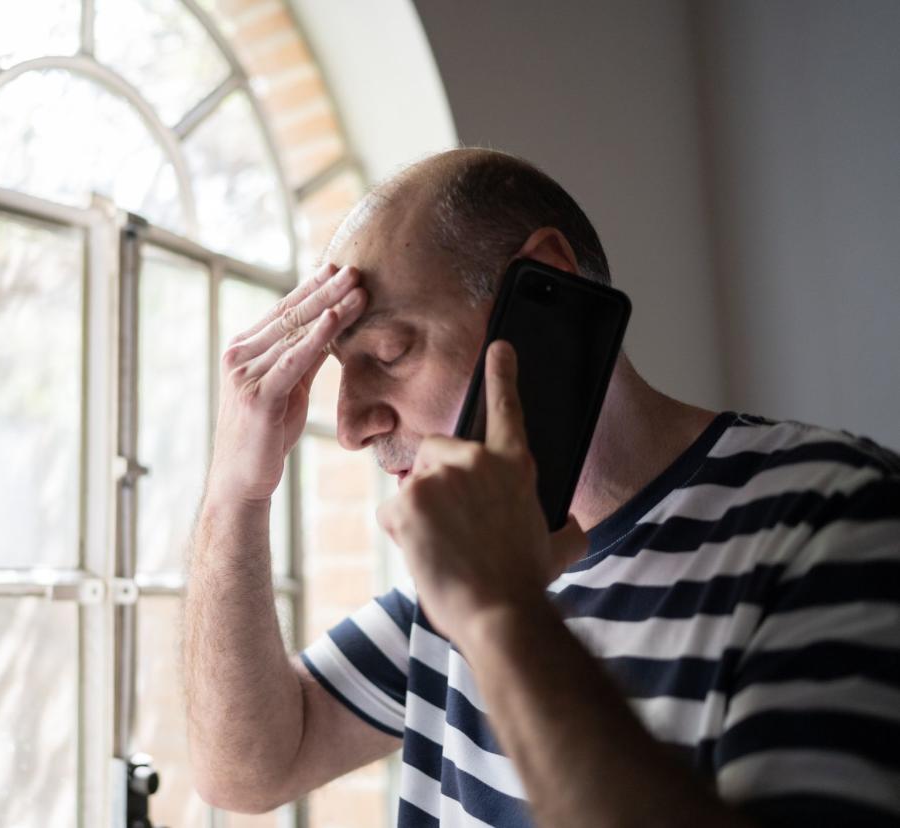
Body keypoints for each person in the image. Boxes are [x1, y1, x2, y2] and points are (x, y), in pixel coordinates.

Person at [182, 148, 900, 827]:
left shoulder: (837, 521)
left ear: (550, 295)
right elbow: (248, 768)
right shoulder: (459, 574)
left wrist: (500, 613)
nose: (349, 426)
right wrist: (234, 495)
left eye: (390, 352)